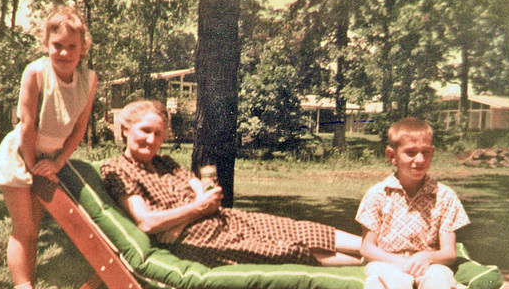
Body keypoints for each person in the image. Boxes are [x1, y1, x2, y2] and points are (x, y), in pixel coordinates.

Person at [100, 99, 362, 269]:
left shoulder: (164, 161)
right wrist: (197, 208)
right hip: (200, 240)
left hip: (220, 217)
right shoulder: (117, 169)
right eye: (145, 131)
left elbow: (196, 184)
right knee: (287, 251)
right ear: (125, 130)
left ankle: (380, 250)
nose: (151, 139)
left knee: (296, 229)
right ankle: (374, 265)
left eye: (158, 134)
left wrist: (196, 203)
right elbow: (146, 222)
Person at [0, 5, 98, 289]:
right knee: (24, 229)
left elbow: (79, 127)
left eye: (71, 46)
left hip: (50, 160)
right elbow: (27, 124)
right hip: (22, 155)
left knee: (35, 230)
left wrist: (59, 161)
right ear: (46, 44)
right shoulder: (36, 72)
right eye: (56, 45)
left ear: (83, 48)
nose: (63, 52)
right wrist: (33, 164)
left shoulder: (88, 80)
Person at [356, 117, 469, 289]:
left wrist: (428, 257)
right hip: (387, 261)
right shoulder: (378, 194)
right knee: (387, 280)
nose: (419, 159)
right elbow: (367, 248)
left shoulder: (444, 196)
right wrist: (398, 262)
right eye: (410, 152)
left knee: (440, 279)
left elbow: (449, 252)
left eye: (426, 152)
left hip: (427, 263)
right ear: (391, 155)